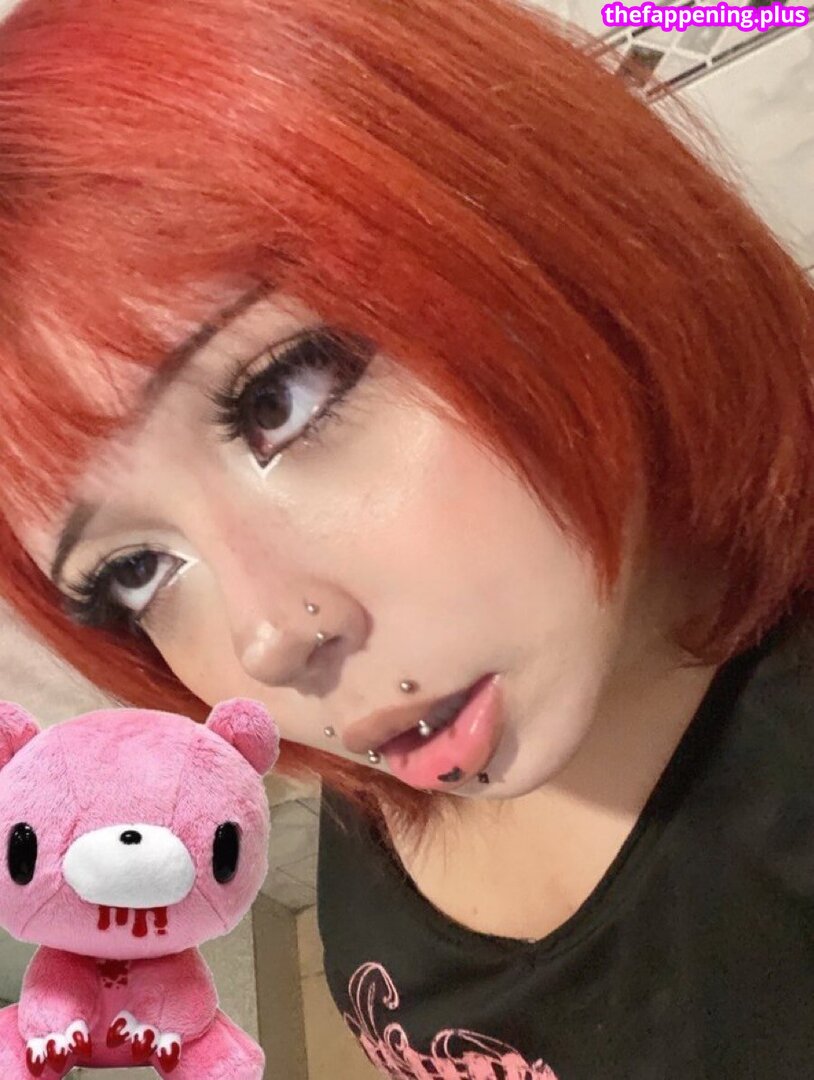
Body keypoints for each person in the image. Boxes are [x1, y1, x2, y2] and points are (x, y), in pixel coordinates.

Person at [0, 0, 811, 1077]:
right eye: (136, 570)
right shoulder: (418, 708)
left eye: (283, 397)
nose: (266, 641)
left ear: (534, 215)